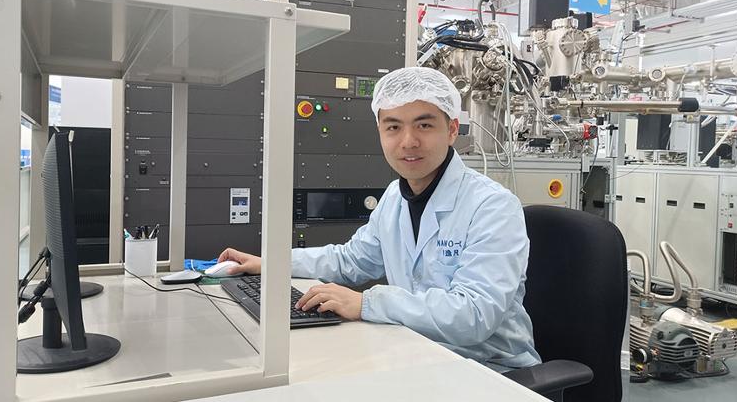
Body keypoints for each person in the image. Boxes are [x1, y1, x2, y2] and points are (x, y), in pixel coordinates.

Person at [218, 67, 541, 371]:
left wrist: (366, 303)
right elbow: (350, 260)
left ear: (452, 130)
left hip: (492, 370)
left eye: (424, 125)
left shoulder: (492, 206)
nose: (408, 141)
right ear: (381, 133)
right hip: (417, 352)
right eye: (393, 127)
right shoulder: (395, 197)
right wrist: (271, 264)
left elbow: (474, 316)